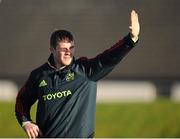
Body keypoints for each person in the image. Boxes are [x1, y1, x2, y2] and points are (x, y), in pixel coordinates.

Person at [15, 10, 140, 138]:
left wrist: (131, 39)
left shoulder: (84, 70)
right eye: (64, 49)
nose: (68, 52)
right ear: (52, 49)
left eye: (72, 47)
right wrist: (26, 122)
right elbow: (21, 101)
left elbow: (109, 57)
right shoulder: (38, 75)